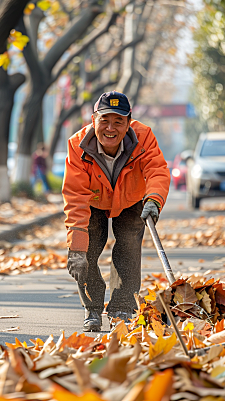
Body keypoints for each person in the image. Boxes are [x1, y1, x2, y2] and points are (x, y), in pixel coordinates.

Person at [62, 91, 170, 332]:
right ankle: (92, 308)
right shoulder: (77, 145)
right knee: (86, 252)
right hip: (93, 201)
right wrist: (76, 248)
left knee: (129, 247)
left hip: (131, 198)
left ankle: (123, 307)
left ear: (129, 122)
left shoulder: (144, 137)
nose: (110, 128)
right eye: (105, 120)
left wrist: (154, 200)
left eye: (118, 121)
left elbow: (157, 170)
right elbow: (74, 196)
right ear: (93, 120)